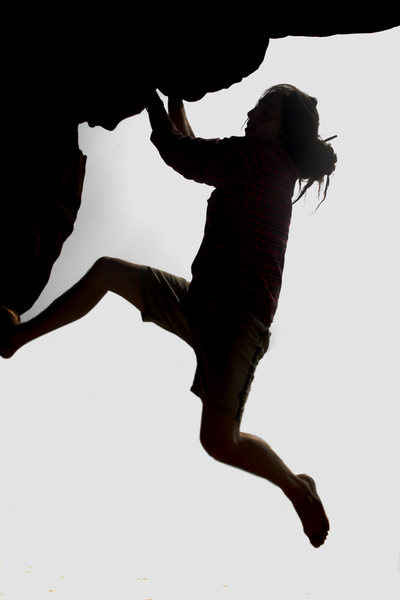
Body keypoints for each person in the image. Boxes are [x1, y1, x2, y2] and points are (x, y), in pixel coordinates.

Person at [0, 84, 337, 548]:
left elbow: (182, 155)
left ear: (285, 130)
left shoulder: (262, 160)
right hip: (201, 301)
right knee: (107, 272)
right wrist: (176, 98)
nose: (254, 112)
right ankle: (15, 339)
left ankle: (297, 487)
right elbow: (196, 151)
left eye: (267, 109)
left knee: (220, 442)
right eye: (258, 105)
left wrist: (152, 98)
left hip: (239, 324)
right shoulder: (258, 161)